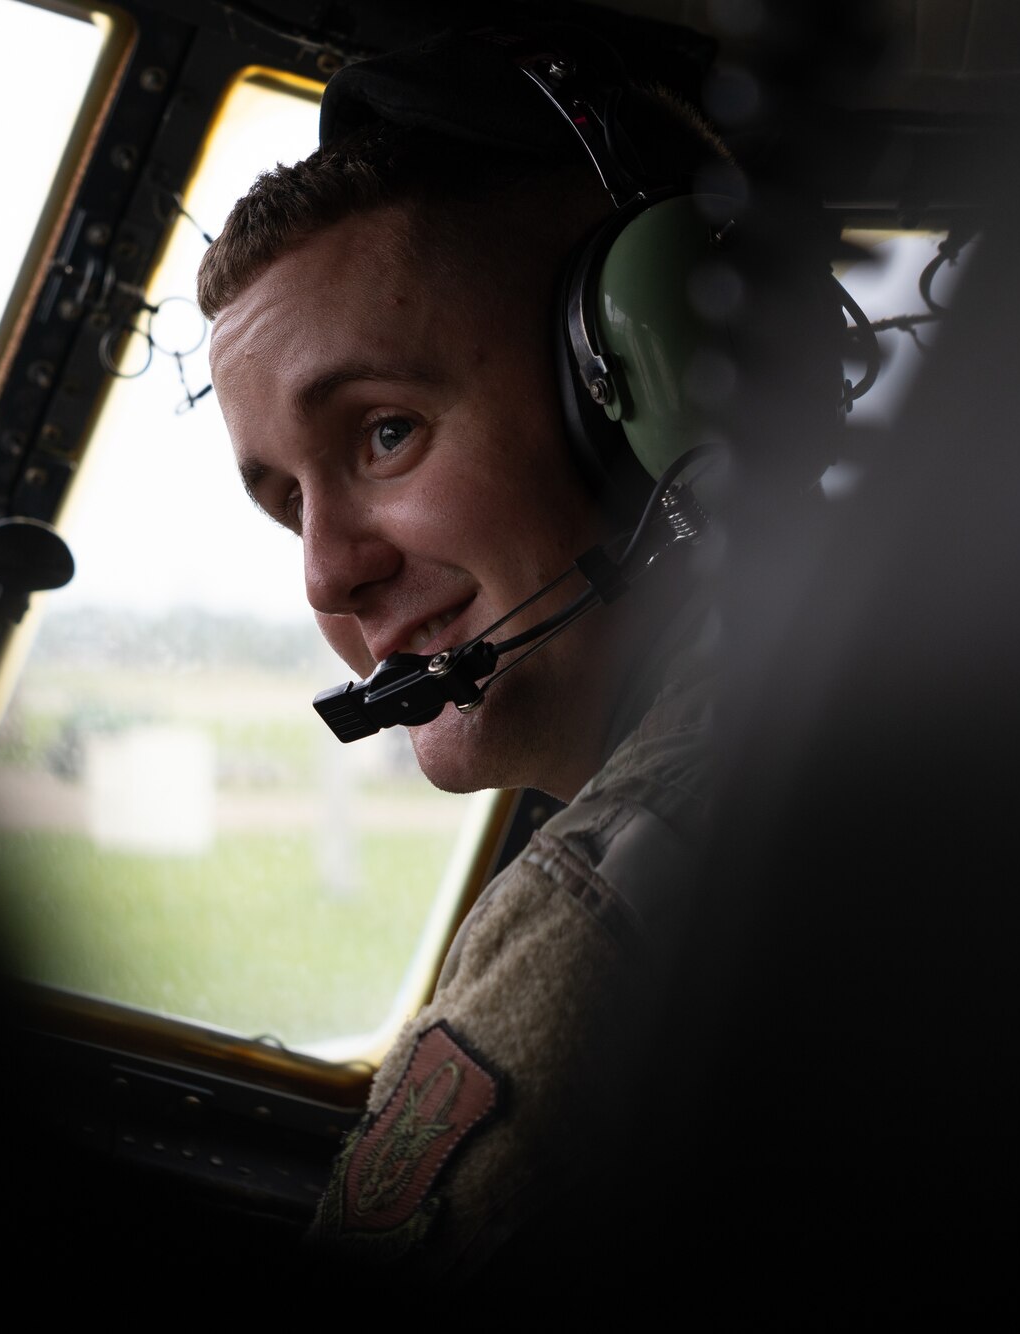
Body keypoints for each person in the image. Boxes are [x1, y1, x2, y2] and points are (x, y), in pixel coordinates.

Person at [197, 27, 765, 1278]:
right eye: (288, 500)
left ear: (657, 396)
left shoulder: (611, 909)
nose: (324, 572)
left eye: (384, 432)